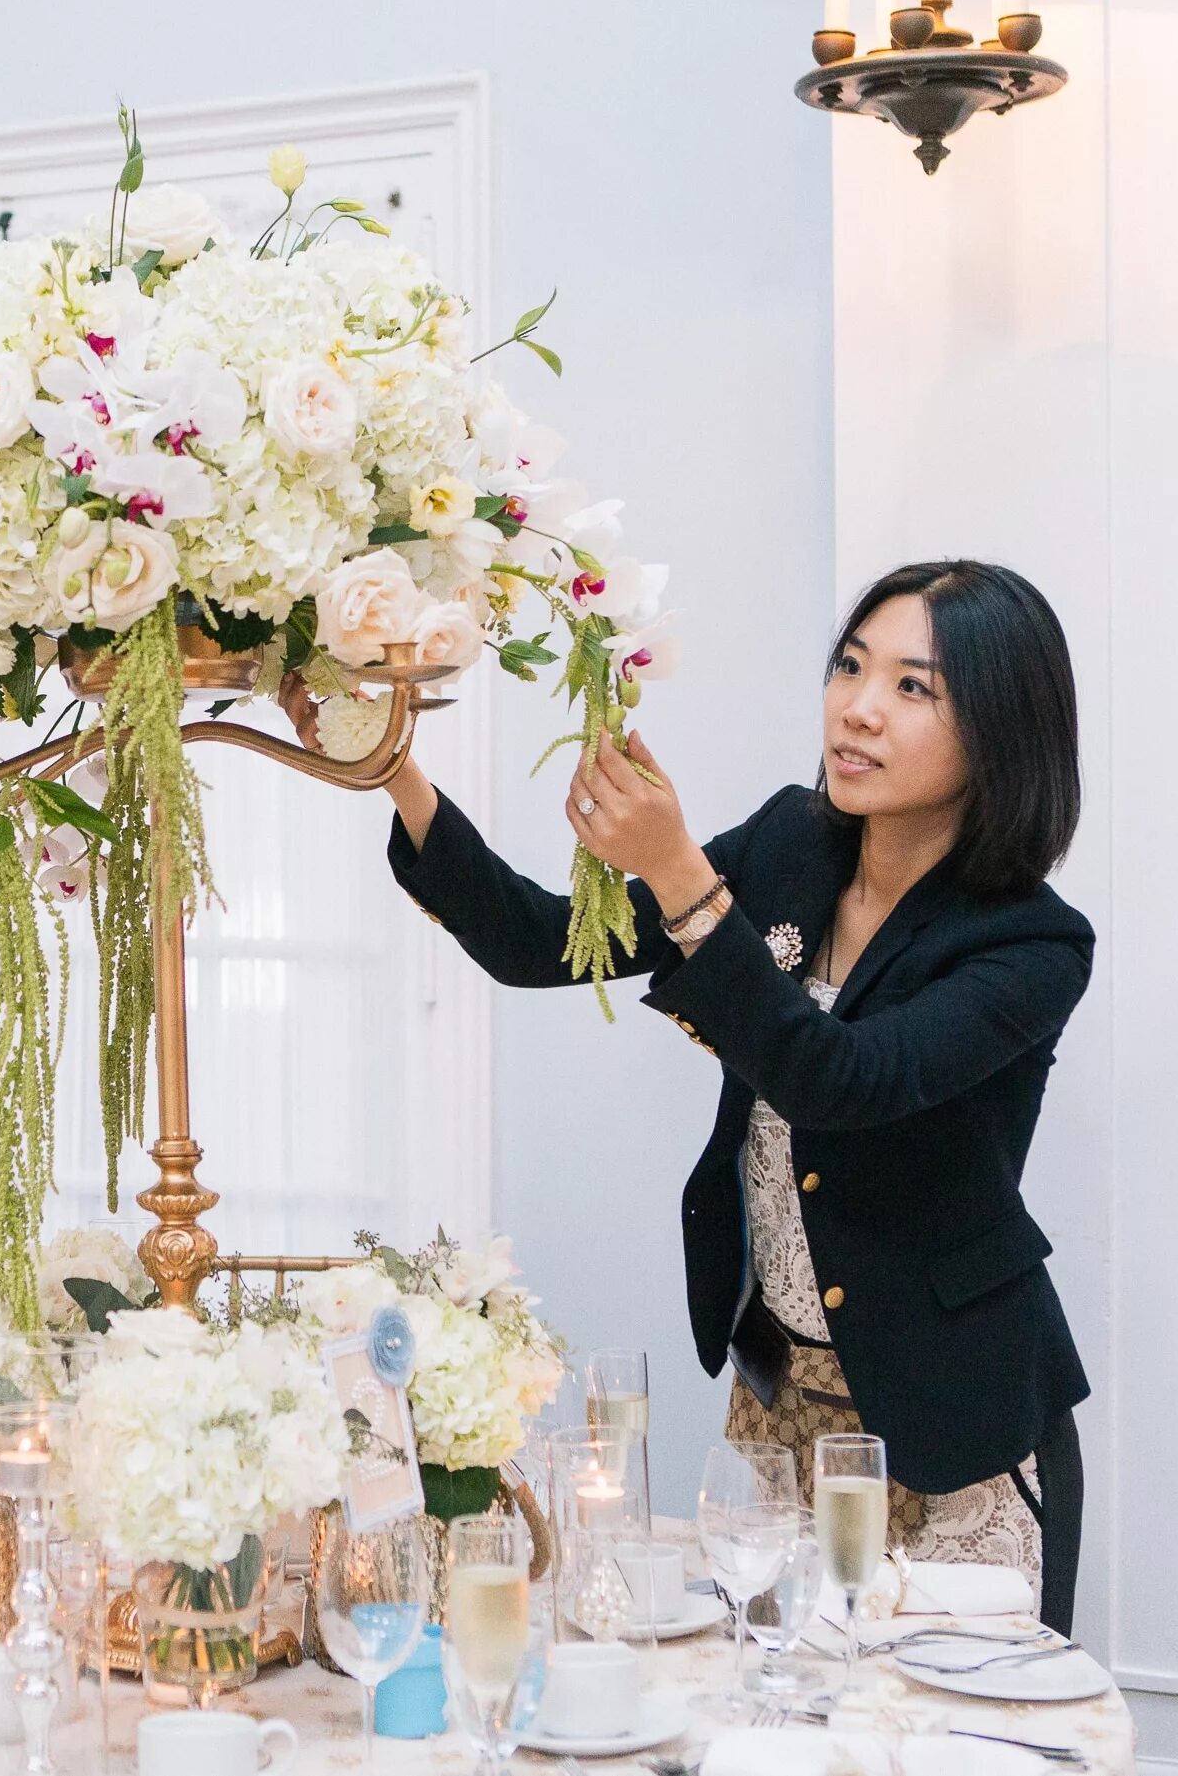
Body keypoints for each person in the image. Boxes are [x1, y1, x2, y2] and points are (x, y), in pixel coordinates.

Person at [325, 559, 1093, 1631]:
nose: (857, 707)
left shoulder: (1030, 942)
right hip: (775, 1415)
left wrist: (683, 873)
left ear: (1000, 728)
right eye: (850, 665)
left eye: (913, 687)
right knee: (765, 1712)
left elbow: (840, 1079)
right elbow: (540, 941)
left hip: (952, 1427)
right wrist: (395, 770)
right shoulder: (790, 843)